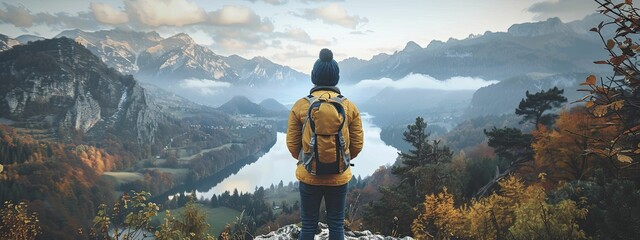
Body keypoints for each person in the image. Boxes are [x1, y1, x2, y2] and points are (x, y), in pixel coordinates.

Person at [286, 48, 364, 240]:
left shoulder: (300, 105)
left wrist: (308, 159)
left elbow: (292, 145)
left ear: (314, 77)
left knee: (308, 226)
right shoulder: (349, 106)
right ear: (336, 78)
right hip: (339, 176)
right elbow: (357, 145)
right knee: (337, 225)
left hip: (309, 176)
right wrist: (341, 159)